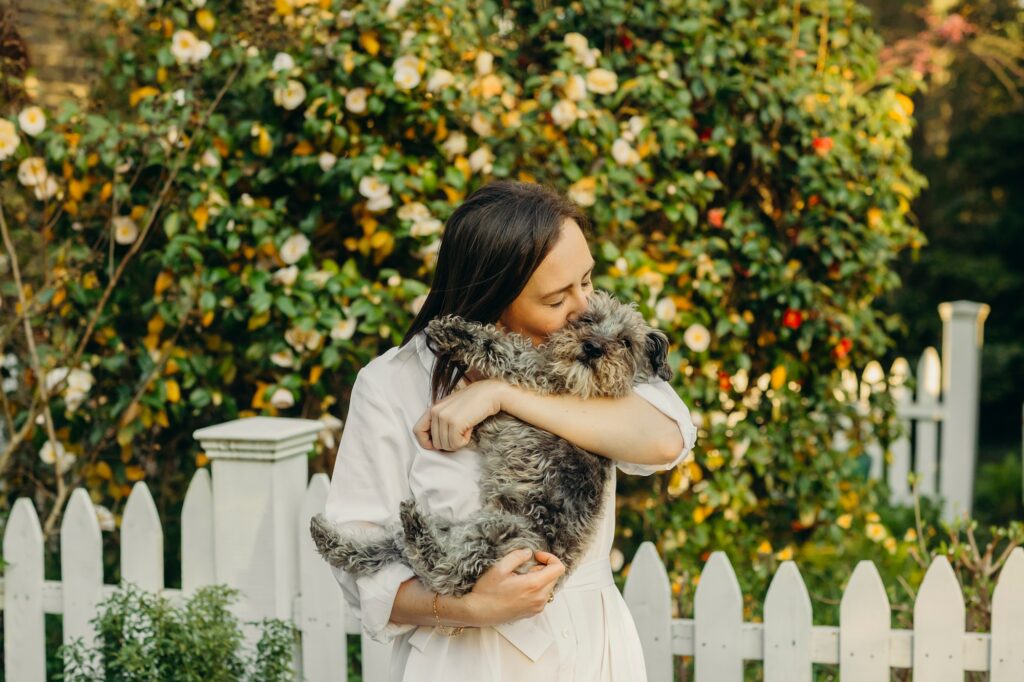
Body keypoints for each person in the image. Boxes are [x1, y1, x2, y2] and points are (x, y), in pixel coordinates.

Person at [322, 180, 698, 681]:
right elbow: (357, 563)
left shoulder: (599, 356)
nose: (584, 308)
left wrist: (503, 395)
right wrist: (469, 608)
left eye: (586, 280)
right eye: (556, 297)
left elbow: (664, 440)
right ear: (492, 297)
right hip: (465, 660)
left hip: (590, 648)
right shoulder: (392, 384)